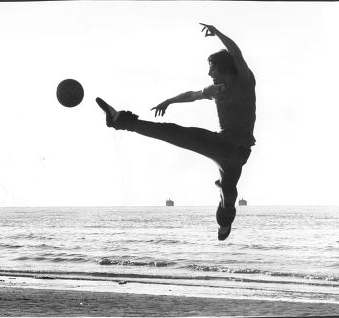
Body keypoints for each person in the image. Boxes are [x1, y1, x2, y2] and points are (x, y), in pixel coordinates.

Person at [96, 24, 256, 240]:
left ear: (224, 68)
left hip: (236, 151)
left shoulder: (244, 80)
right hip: (221, 146)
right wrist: (170, 101)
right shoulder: (214, 90)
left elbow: (236, 53)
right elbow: (192, 95)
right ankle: (119, 120)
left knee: (228, 193)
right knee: (175, 133)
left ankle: (225, 222)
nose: (209, 73)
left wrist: (217, 32)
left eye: (213, 69)